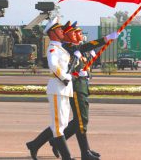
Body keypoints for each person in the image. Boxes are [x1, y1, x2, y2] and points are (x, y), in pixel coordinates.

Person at [49, 21, 119, 160]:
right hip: (74, 87)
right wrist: (105, 39)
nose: (77, 35)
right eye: (74, 32)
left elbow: (84, 51)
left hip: (82, 86)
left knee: (78, 121)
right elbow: (59, 65)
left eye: (78, 33)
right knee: (78, 121)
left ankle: (66, 144)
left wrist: (105, 41)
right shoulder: (65, 47)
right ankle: (78, 150)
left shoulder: (74, 48)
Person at [26, 17, 76, 160]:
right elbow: (53, 65)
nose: (62, 31)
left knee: (63, 123)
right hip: (57, 88)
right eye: (59, 29)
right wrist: (64, 77)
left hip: (64, 89)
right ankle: (67, 157)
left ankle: (34, 145)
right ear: (52, 33)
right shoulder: (53, 48)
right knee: (58, 126)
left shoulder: (60, 47)